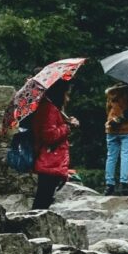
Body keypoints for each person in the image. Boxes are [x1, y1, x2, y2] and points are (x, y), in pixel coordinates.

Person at [31, 78, 79, 209]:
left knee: (44, 199)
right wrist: (68, 127)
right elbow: (49, 135)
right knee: (43, 201)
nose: (68, 99)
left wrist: (66, 123)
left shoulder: (49, 108)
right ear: (59, 93)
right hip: (50, 162)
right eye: (66, 94)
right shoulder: (49, 109)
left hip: (50, 162)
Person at [103, 83, 128, 195]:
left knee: (111, 157)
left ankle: (109, 185)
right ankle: (123, 185)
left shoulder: (111, 94)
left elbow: (107, 110)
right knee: (125, 156)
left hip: (112, 128)